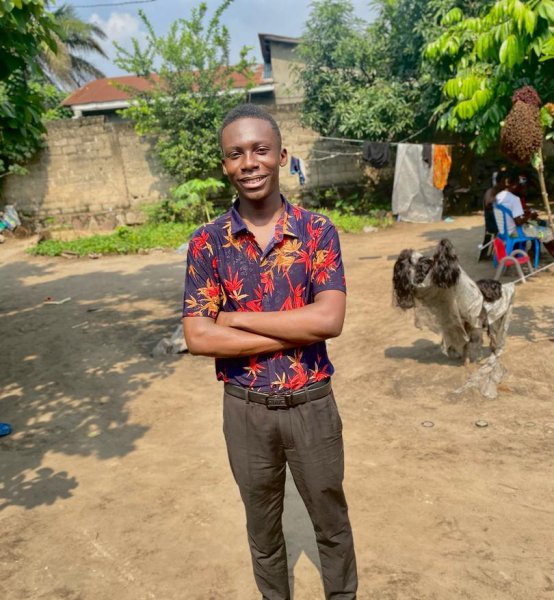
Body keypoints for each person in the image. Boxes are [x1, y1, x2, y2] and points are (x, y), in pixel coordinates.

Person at [182, 103, 357, 599]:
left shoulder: (317, 231)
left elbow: (329, 320)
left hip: (312, 405)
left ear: (281, 155)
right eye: (235, 154)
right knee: (263, 535)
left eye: (260, 150)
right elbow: (198, 337)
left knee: (332, 526)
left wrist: (236, 318)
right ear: (225, 164)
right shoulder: (207, 243)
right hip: (246, 412)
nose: (249, 163)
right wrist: (298, 329)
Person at [494, 172, 554, 258]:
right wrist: (530, 215)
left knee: (539, 229)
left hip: (503, 232)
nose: (521, 186)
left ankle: (538, 243)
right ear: (514, 184)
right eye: (519, 184)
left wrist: (526, 214)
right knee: (548, 232)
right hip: (516, 232)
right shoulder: (514, 199)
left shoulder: (498, 196)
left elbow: (511, 214)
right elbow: (518, 222)